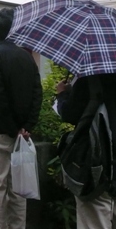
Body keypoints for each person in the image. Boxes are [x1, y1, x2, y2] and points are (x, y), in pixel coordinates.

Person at [0, 8, 42, 229]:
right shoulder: (27, 57)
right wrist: (26, 126)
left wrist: (11, 128)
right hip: (22, 136)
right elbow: (37, 92)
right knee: (19, 190)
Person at [56, 73, 116, 228]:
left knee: (94, 217)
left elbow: (70, 113)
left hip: (100, 162)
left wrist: (63, 94)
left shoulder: (93, 75)